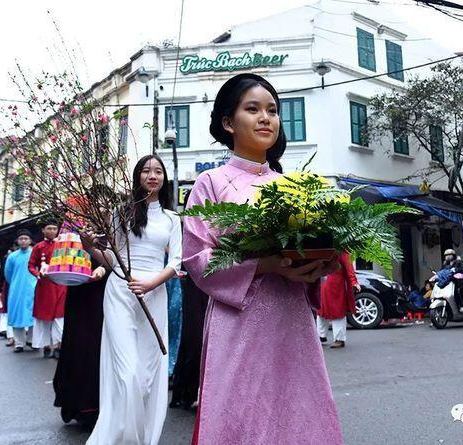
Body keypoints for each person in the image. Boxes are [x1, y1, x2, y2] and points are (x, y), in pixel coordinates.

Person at [183, 73, 343, 444]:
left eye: (272, 110)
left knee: (297, 409)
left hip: (291, 318)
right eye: (252, 109)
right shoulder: (210, 182)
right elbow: (196, 257)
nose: (265, 118)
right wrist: (264, 265)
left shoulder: (295, 187)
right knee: (241, 412)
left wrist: (318, 266)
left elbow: (311, 250)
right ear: (228, 122)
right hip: (238, 320)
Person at [83, 154, 182, 445]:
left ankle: (141, 438)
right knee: (126, 372)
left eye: (158, 171)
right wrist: (89, 247)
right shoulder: (120, 212)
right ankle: (121, 437)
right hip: (119, 291)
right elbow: (113, 259)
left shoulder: (172, 219)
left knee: (147, 376)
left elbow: (176, 261)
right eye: (147, 171)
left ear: (164, 179)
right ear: (137, 177)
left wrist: (152, 282)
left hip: (154, 293)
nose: (153, 175)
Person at [53, 260, 108, 428]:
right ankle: (82, 406)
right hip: (79, 281)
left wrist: (105, 267)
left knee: (102, 342)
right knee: (81, 341)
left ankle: (103, 404)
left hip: (108, 285)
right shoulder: (72, 233)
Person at [169, 268, 208, 410]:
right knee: (194, 337)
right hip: (197, 276)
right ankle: (186, 393)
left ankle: (190, 393)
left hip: (220, 276)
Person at [28, 220, 68, 359]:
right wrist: (38, 274)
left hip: (61, 285)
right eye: (48, 228)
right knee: (43, 318)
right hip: (44, 286)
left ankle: (58, 346)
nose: (51, 231)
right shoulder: (38, 247)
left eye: (54, 228)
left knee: (59, 317)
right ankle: (46, 345)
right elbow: (31, 265)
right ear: (43, 231)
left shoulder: (62, 245)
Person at [316, 252, 360, 348]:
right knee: (321, 310)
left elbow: (348, 266)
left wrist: (354, 282)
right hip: (323, 283)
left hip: (336, 286)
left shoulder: (341, 249)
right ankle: (320, 336)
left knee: (337, 311)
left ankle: (339, 339)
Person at [5, 230, 38, 353]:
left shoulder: (35, 253)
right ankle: (19, 343)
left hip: (33, 288)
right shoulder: (12, 256)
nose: (23, 241)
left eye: (26, 238)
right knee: (17, 315)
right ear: (17, 241)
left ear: (30, 240)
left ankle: (31, 339)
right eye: (21, 238)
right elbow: (8, 274)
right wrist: (15, 283)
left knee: (33, 315)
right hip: (16, 290)